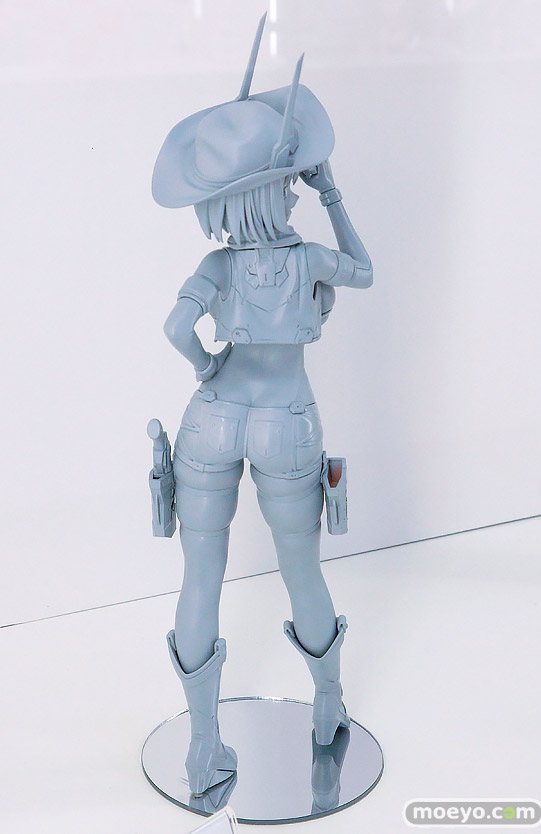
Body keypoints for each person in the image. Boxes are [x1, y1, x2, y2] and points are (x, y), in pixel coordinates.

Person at [151, 15, 373, 797]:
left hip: (210, 416)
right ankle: (327, 704)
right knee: (301, 568)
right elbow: (364, 269)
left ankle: (202, 748)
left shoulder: (217, 265)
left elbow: (175, 327)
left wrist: (207, 364)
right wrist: (331, 192)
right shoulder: (308, 257)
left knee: (199, 575)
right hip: (287, 422)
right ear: (280, 187)